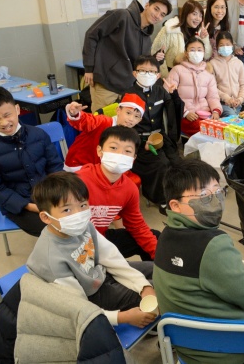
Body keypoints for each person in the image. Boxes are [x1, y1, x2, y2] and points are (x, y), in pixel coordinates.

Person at [153, 159, 244, 363]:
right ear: (175, 205)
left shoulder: (165, 237)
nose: (215, 200)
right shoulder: (212, 245)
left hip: (188, 348)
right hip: (232, 350)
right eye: (204, 195)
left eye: (217, 191)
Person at [27, 171, 157, 328]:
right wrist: (122, 317)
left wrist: (143, 286)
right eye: (67, 210)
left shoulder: (82, 225)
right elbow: (77, 308)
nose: (79, 214)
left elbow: (111, 258)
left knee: (158, 273)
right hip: (91, 296)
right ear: (46, 217)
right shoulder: (51, 259)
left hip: (100, 273)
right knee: (160, 291)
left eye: (83, 205)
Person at [0, 86, 63, 236]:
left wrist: (58, 192)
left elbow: (55, 166)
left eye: (7, 115)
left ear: (17, 109)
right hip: (18, 204)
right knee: (53, 230)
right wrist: (29, 206)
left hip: (48, 194)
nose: (4, 123)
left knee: (79, 214)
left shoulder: (38, 135)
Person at [77, 126, 160, 261]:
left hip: (101, 238)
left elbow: (137, 227)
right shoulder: (78, 181)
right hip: (74, 244)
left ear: (133, 158)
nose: (120, 154)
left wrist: (161, 258)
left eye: (127, 151)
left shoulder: (129, 189)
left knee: (155, 238)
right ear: (99, 151)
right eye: (113, 148)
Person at [83, 0, 171, 111]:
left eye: (162, 15)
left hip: (127, 89)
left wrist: (155, 59)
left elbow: (139, 63)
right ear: (147, 5)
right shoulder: (121, 16)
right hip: (106, 85)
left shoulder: (146, 38)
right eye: (156, 9)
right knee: (103, 121)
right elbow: (91, 35)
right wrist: (89, 68)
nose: (157, 15)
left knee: (122, 122)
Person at [127, 55, 182, 210]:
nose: (147, 74)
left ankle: (176, 195)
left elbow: (173, 111)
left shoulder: (160, 91)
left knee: (178, 163)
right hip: (139, 143)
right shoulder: (129, 94)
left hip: (161, 138)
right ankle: (162, 200)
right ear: (135, 73)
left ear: (158, 75)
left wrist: (173, 94)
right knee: (162, 165)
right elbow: (123, 125)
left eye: (151, 71)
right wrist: (138, 143)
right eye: (142, 71)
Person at [64, 93, 145, 172]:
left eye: (136, 116)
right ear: (118, 110)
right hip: (80, 164)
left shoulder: (130, 134)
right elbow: (86, 121)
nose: (131, 119)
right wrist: (75, 113)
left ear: (139, 120)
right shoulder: (103, 121)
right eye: (128, 113)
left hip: (102, 168)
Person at [166, 36, 222, 136]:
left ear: (204, 52)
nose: (196, 53)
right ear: (186, 53)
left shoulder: (208, 74)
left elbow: (213, 96)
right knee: (207, 130)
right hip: (184, 115)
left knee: (220, 128)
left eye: (199, 50)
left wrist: (216, 111)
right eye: (192, 50)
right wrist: (185, 112)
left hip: (205, 114)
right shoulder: (177, 70)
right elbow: (168, 95)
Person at [152, 0, 212, 78]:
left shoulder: (200, 31)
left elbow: (207, 56)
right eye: (194, 14)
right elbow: (155, 54)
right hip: (173, 75)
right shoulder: (170, 29)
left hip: (194, 75)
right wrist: (167, 77)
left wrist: (203, 39)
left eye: (200, 16)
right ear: (186, 13)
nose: (198, 18)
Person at [209, 31, 244, 117]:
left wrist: (240, 99)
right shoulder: (212, 63)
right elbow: (212, 87)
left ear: (232, 45)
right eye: (221, 45)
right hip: (222, 104)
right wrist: (226, 98)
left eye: (227, 44)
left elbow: (243, 85)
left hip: (237, 104)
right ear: (217, 46)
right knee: (233, 118)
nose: (225, 47)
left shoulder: (239, 63)